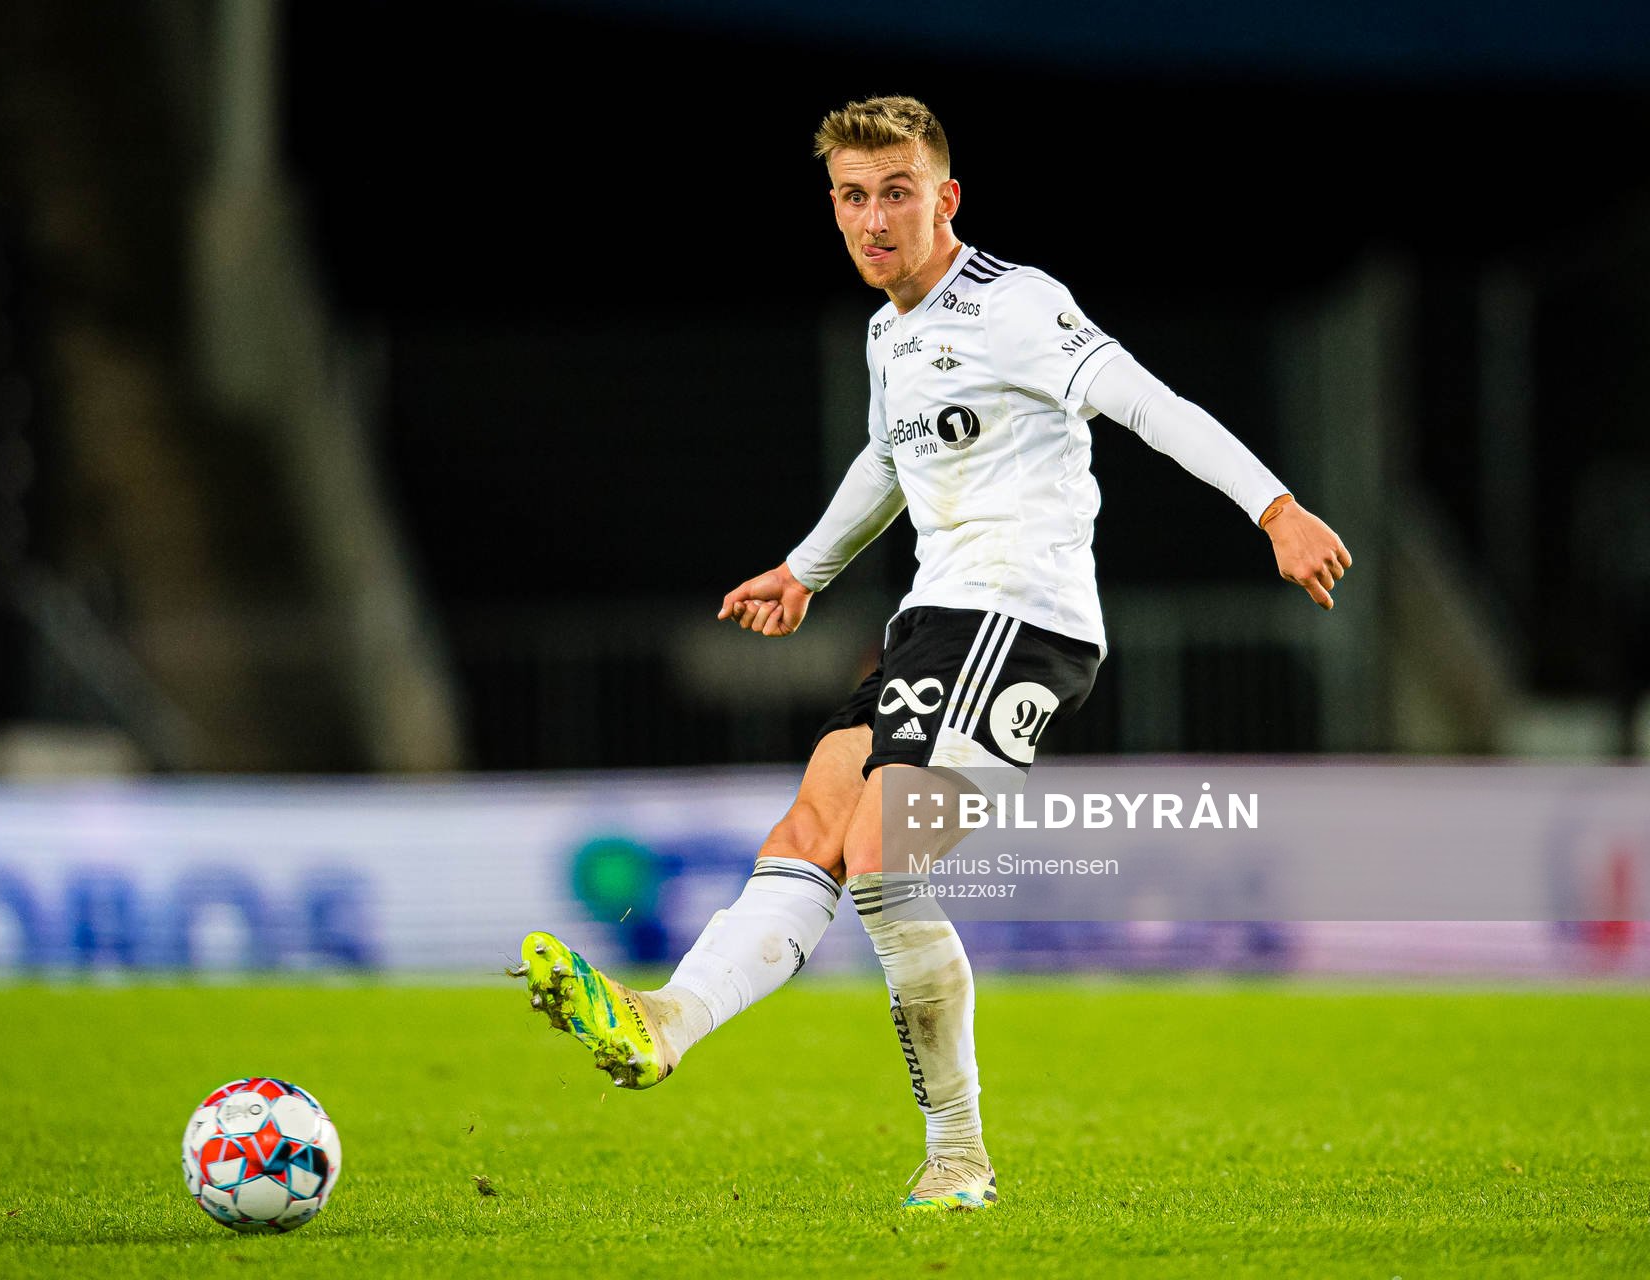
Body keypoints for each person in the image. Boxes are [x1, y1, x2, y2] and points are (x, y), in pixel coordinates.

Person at [516, 94, 1352, 1211]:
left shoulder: (1015, 305)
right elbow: (885, 456)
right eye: (853, 197)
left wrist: (1275, 507)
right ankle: (667, 1019)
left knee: (882, 854)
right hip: (932, 623)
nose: (874, 219)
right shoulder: (889, 330)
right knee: (814, 818)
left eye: (897, 193)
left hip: (1024, 620)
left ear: (945, 197)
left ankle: (959, 1153)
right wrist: (805, 568)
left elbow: (1149, 404)